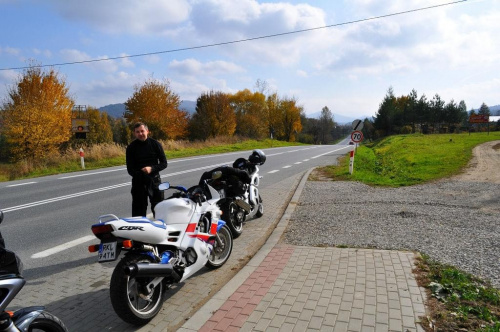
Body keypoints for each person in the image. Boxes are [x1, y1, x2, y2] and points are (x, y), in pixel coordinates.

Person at [126, 122, 168, 217]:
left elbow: (164, 163)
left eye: (142, 131)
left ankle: (160, 230)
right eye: (137, 132)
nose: (140, 134)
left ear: (147, 131)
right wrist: (140, 174)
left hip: (154, 181)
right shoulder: (131, 148)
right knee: (138, 212)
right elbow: (130, 169)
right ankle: (139, 231)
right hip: (138, 182)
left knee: (159, 209)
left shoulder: (156, 144)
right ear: (134, 133)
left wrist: (151, 168)